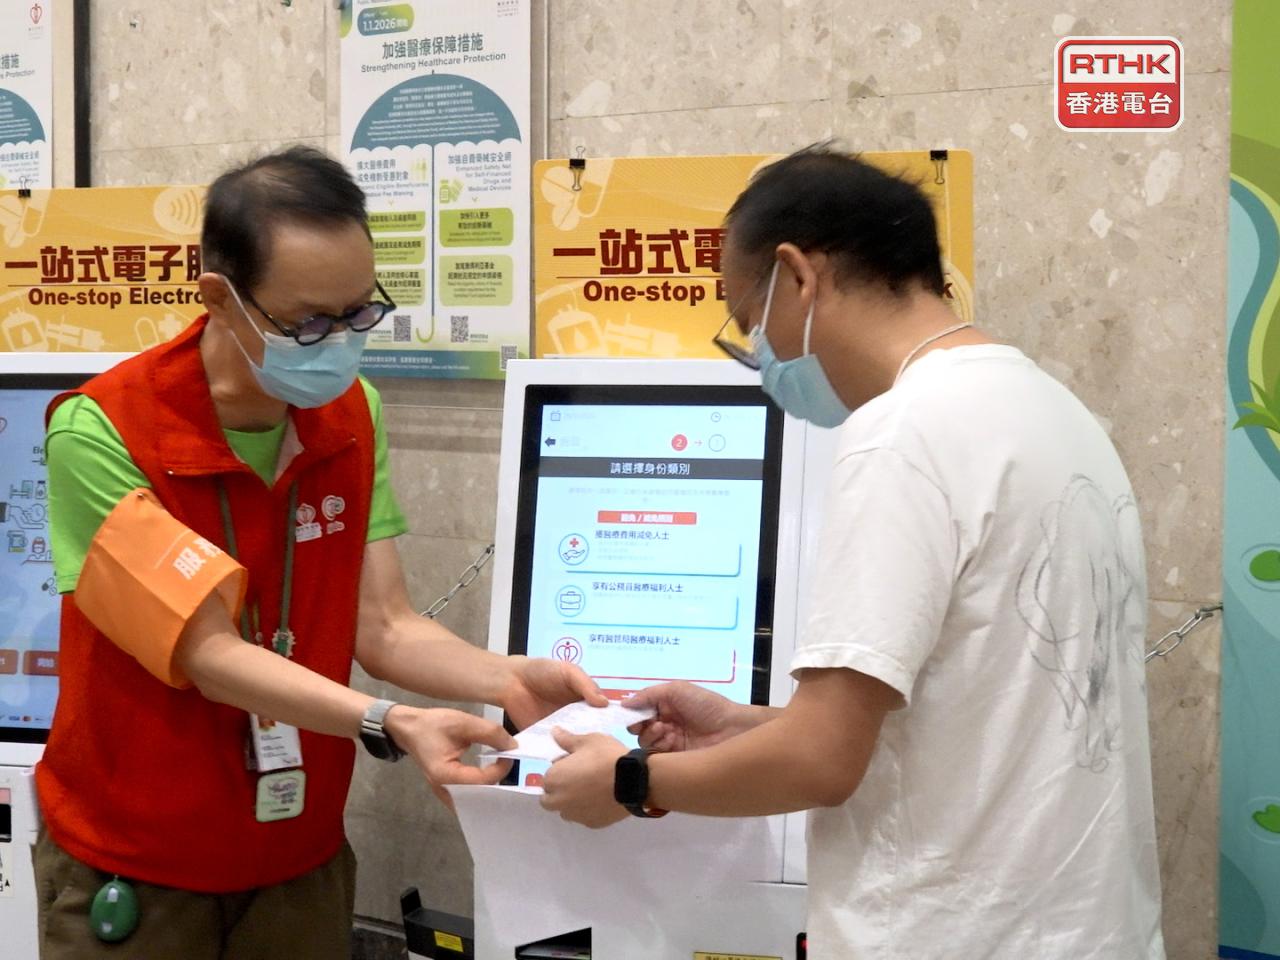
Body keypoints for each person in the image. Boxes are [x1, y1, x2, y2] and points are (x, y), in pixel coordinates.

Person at [540, 145, 1165, 958]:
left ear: (800, 276)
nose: (760, 357)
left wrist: (627, 783)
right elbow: (980, 709)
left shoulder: (902, 434)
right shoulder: (1051, 410)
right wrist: (748, 727)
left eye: (746, 326)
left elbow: (823, 762)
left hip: (949, 934)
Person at [35, 145, 604, 960]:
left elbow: (385, 623)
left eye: (358, 314)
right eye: (307, 322)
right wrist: (389, 720)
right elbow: (206, 651)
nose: (337, 343)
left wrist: (504, 677)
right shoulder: (103, 431)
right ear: (220, 299)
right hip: (136, 865)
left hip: (297, 856)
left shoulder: (352, 413)